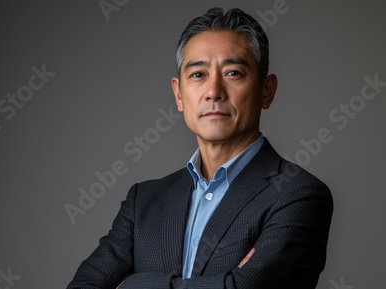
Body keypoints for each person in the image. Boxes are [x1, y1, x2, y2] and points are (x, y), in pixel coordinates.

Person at [67, 7, 333, 289]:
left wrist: (131, 285)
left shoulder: (298, 194)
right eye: (197, 74)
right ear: (179, 95)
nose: (214, 91)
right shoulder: (143, 202)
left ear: (266, 90)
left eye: (233, 72)